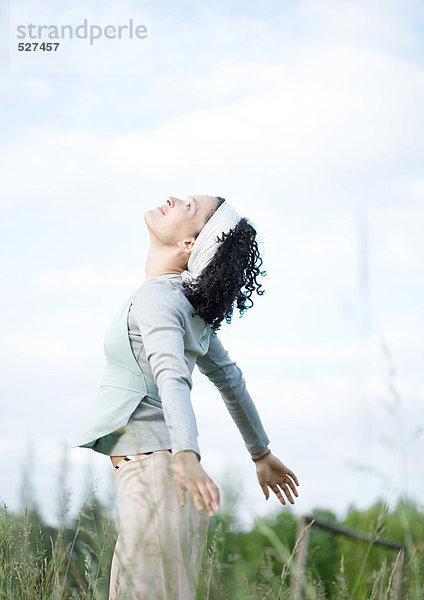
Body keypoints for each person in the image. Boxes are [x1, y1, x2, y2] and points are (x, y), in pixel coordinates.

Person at [70, 195, 300, 600]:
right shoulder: (182, 302)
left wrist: (186, 457)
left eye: (189, 207)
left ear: (190, 245)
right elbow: (232, 381)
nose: (176, 199)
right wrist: (260, 453)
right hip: (162, 475)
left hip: (162, 474)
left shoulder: (158, 297)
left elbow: (173, 376)